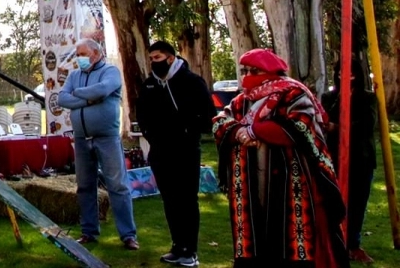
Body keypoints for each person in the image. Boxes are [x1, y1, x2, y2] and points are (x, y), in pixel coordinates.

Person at [213, 48, 349, 267]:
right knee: (252, 238)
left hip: (290, 182)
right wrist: (239, 132)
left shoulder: (293, 93)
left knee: (290, 237)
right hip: (249, 183)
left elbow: (301, 126)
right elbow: (220, 121)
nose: (247, 75)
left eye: (254, 70)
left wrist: (255, 131)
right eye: (244, 70)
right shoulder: (241, 100)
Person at [137, 40, 216, 267]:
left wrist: (187, 130)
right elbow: (142, 113)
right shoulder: (150, 84)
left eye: (158, 58)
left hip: (186, 151)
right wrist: (151, 135)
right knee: (170, 200)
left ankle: (190, 251)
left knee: (186, 201)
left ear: (171, 58)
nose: (154, 63)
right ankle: (177, 246)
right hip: (160, 152)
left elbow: (208, 114)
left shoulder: (192, 81)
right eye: (151, 59)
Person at [58, 39, 139, 250]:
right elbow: (62, 99)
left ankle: (128, 235)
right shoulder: (74, 75)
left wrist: (78, 94)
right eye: (77, 54)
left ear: (96, 53)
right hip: (81, 139)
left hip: (107, 138)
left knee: (118, 185)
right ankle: (89, 232)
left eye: (82, 53)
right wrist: (88, 99)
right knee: (85, 187)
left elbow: (102, 90)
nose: (79, 58)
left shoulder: (111, 72)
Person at [322, 59, 376, 264]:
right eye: (340, 72)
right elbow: (326, 121)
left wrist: (341, 128)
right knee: (335, 202)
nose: (345, 76)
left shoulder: (368, 98)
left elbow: (366, 125)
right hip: (335, 157)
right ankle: (334, 242)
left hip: (361, 158)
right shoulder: (329, 97)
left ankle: (353, 244)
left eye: (351, 73)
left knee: (357, 203)